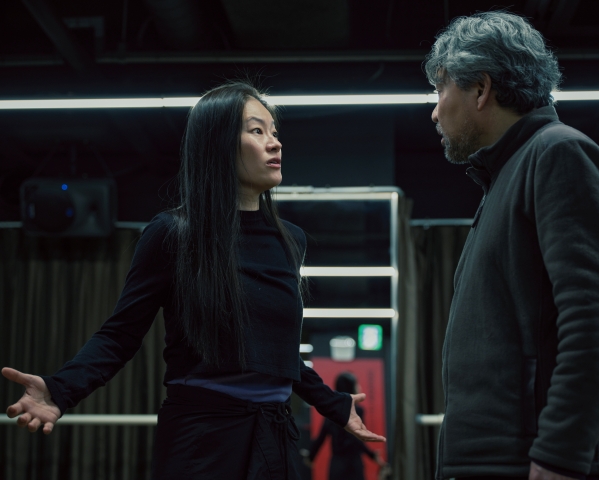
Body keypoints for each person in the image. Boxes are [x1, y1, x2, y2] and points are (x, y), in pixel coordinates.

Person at [2, 81, 385, 480]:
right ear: (218, 144)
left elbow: (278, 352)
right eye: (257, 131)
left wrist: (332, 403)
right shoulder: (173, 233)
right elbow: (120, 334)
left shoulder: (291, 240)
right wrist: (61, 389)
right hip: (201, 437)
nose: (275, 143)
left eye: (274, 132)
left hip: (274, 435)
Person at [425, 11, 599, 480]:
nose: (435, 111)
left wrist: (560, 452)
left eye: (440, 89)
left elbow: (594, 315)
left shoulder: (558, 153)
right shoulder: (506, 175)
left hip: (539, 463)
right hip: (502, 460)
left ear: (480, 89)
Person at [304, 372, 386, 480]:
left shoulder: (331, 412)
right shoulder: (358, 410)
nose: (359, 387)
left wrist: (311, 456)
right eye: (356, 384)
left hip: (337, 465)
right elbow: (357, 439)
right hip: (353, 464)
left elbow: (321, 437)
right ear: (351, 387)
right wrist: (371, 455)